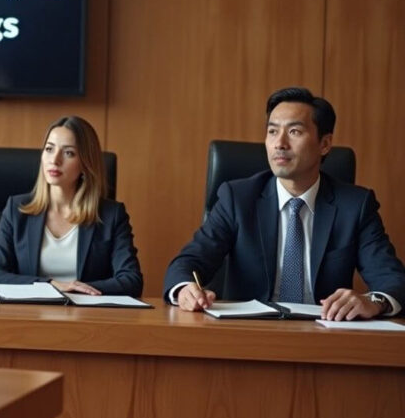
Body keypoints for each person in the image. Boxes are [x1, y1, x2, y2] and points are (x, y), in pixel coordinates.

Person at [164, 87, 405, 320]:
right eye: (272, 131)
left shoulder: (355, 206)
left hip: (325, 333)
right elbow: (187, 263)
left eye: (294, 132)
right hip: (248, 333)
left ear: (324, 144)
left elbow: (393, 280)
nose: (279, 143)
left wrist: (374, 302)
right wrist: (185, 289)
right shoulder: (238, 198)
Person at [0, 116, 143, 296]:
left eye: (68, 153)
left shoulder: (111, 215)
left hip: (87, 311)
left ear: (85, 163)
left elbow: (132, 280)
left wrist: (77, 289)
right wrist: (50, 285)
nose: (55, 160)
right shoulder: (17, 209)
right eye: (49, 149)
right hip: (30, 311)